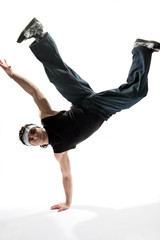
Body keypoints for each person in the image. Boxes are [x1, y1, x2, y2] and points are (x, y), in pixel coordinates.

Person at [0, 18, 160, 212]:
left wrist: (11, 75)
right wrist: (67, 202)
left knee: (59, 75)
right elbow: (66, 176)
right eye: (31, 139)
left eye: (32, 131)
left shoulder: (47, 118)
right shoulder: (59, 151)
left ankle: (38, 34)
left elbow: (34, 91)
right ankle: (141, 49)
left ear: (37, 126)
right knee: (132, 91)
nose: (34, 135)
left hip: (89, 104)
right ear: (37, 145)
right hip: (95, 105)